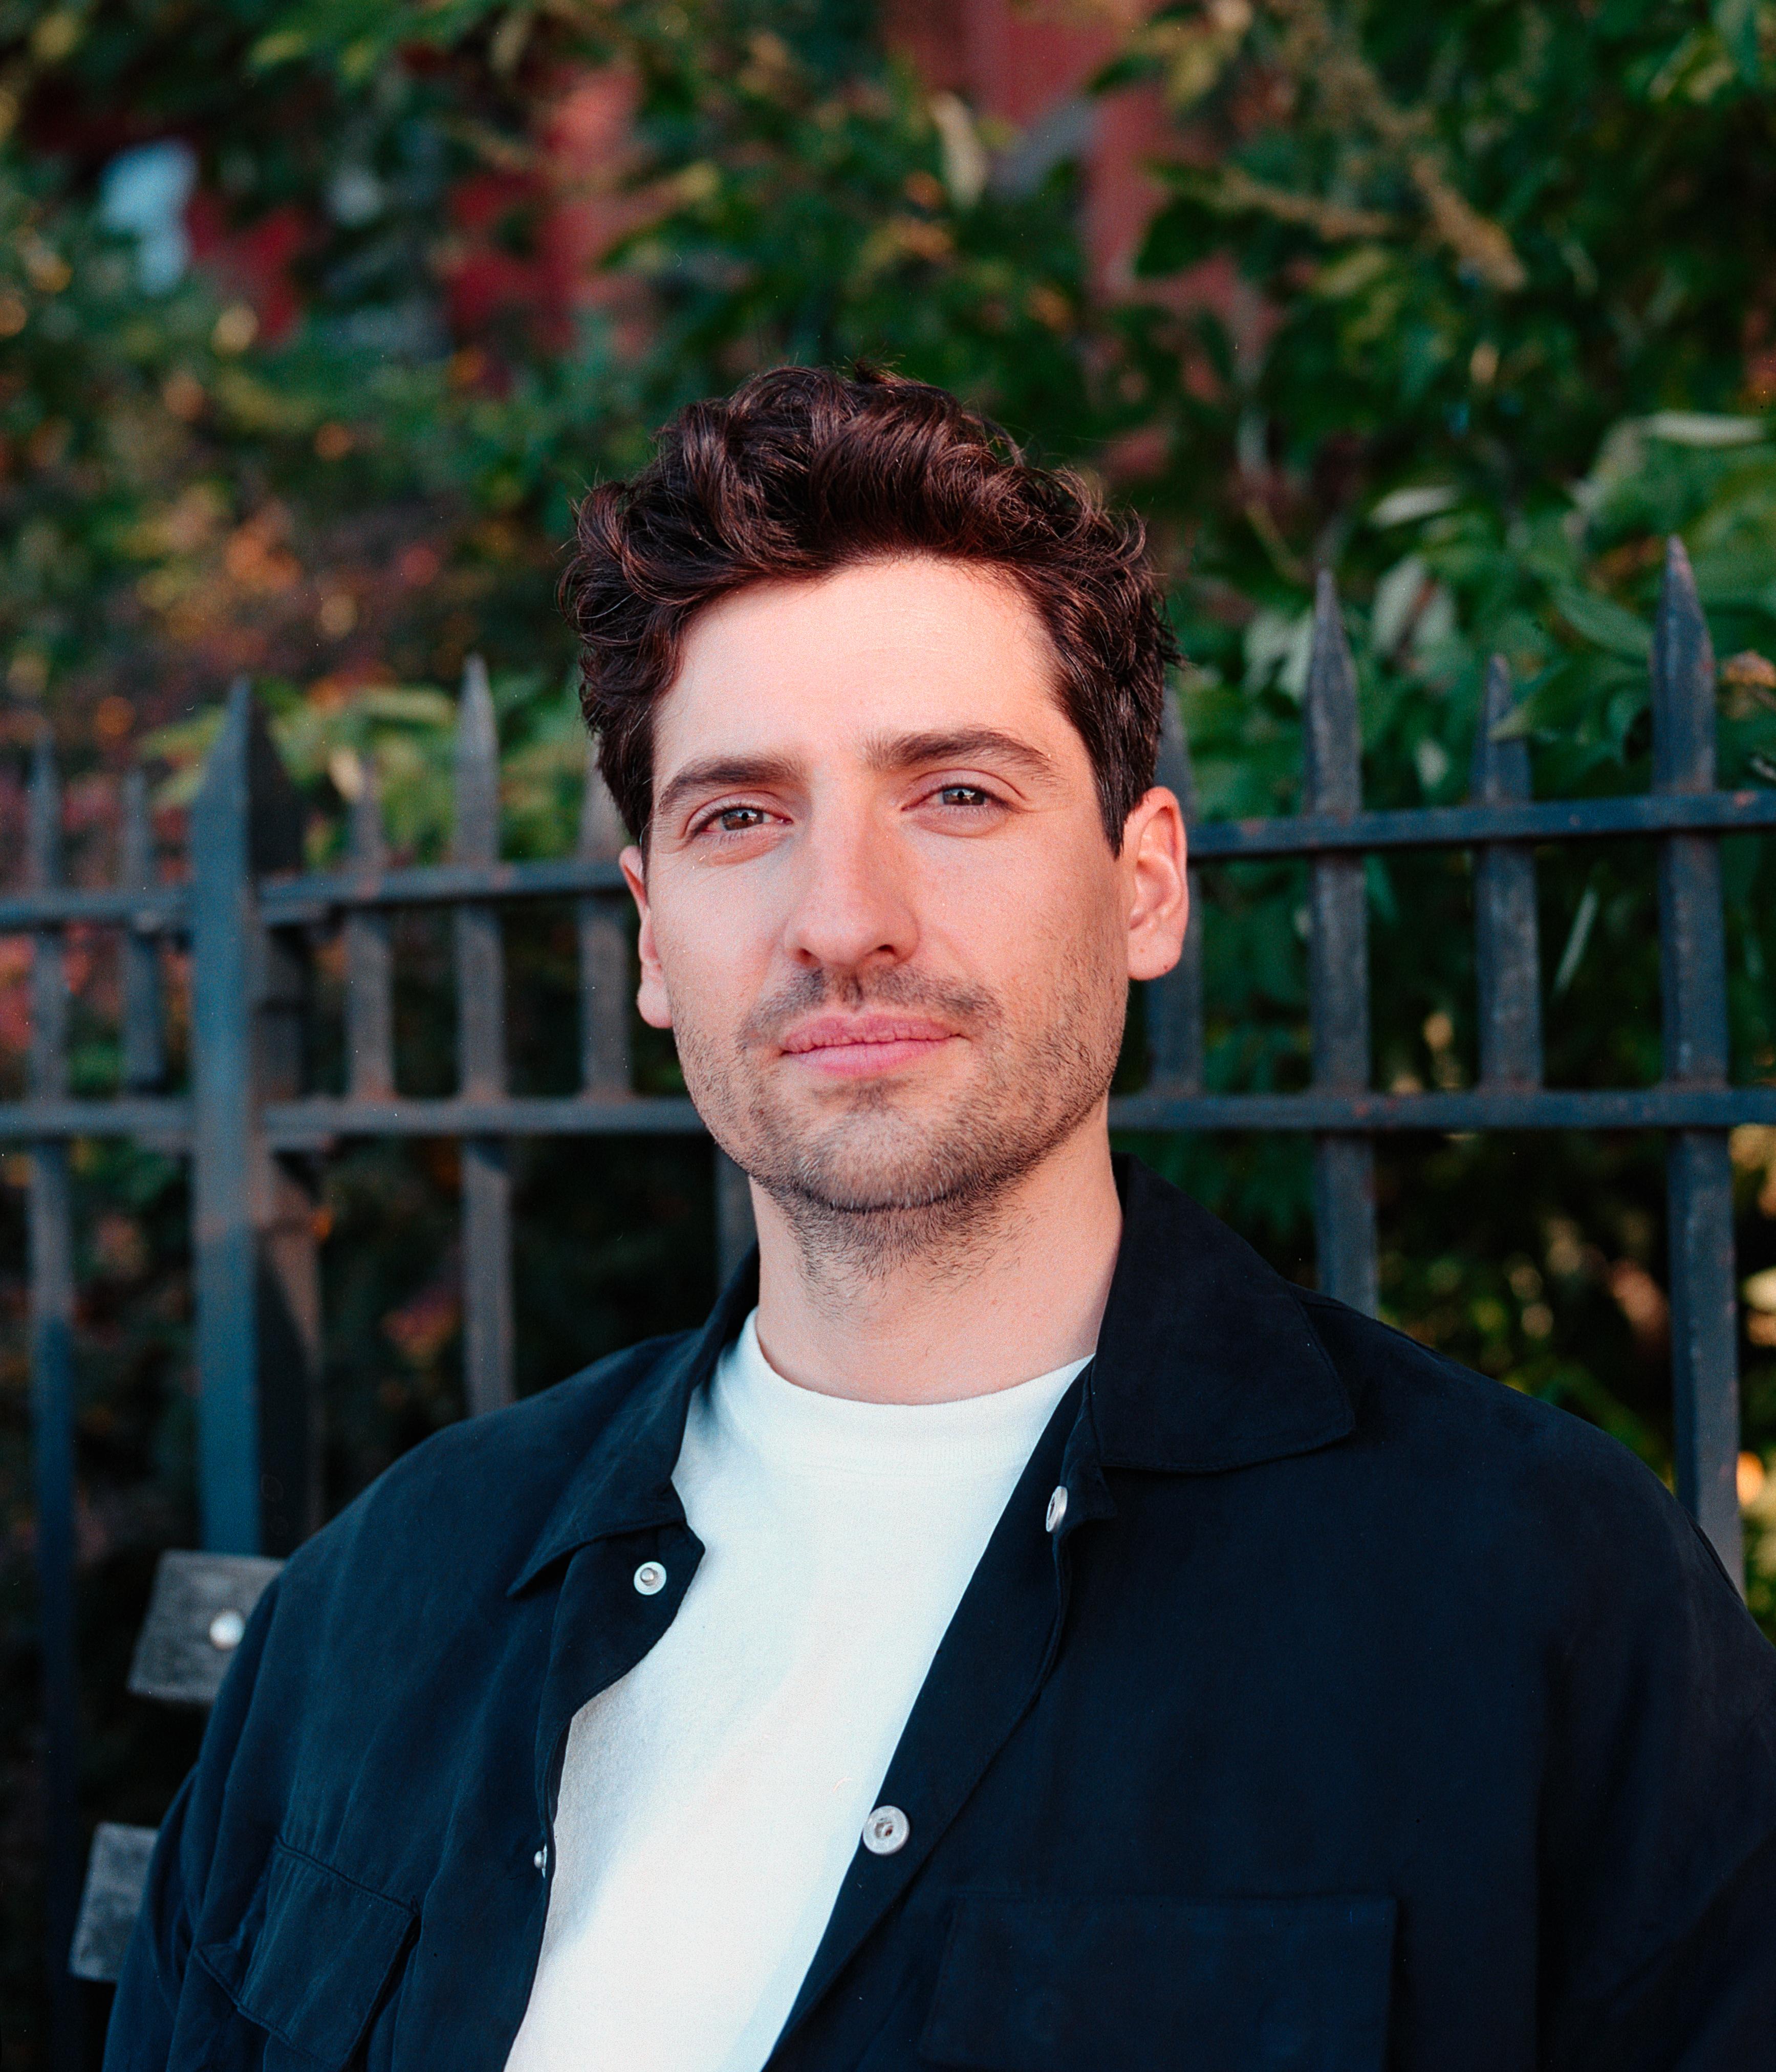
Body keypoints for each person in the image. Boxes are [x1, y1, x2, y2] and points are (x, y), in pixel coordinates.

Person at [109, 366, 1776, 2072]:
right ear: (652, 937)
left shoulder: (1526, 1602)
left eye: (957, 793)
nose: (844, 918)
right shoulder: (384, 1601)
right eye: (742, 816)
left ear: (1145, 883)